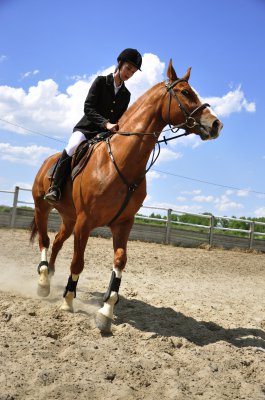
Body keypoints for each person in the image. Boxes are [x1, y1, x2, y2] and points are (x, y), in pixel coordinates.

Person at [44, 48, 142, 203]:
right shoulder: (101, 81)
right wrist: (106, 123)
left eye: (133, 72)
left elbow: (121, 118)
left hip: (106, 135)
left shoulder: (126, 95)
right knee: (72, 147)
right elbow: (88, 107)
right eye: (128, 68)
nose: (129, 73)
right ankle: (55, 187)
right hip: (86, 129)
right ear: (120, 63)